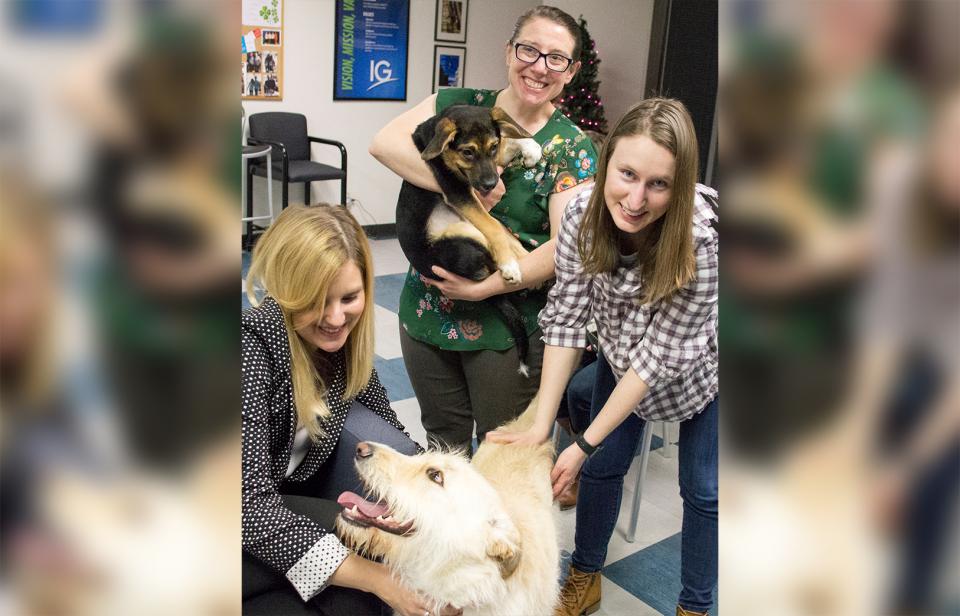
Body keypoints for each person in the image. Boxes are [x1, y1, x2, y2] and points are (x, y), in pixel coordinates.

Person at [488, 99, 719, 616]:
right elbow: (567, 320)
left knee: (704, 491)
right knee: (601, 470)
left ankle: (696, 606)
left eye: (658, 184)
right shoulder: (579, 216)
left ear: (679, 187)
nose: (635, 199)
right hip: (619, 362)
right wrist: (541, 427)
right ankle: (585, 576)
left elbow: (659, 358)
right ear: (607, 161)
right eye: (627, 174)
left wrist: (584, 443)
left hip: (697, 376)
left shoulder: (703, 239)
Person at [370, 5, 597, 452]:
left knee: (502, 454)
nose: (539, 67)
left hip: (504, 323)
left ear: (571, 72)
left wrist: (483, 289)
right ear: (509, 51)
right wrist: (462, 189)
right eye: (529, 50)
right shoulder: (454, 105)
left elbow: (562, 249)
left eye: (556, 58)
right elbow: (384, 144)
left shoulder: (570, 147)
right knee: (443, 449)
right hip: (427, 313)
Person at [241, 205, 459, 616]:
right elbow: (248, 509)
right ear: (288, 291)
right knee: (362, 570)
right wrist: (381, 579)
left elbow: (396, 446)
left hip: (278, 504)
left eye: (349, 297)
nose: (336, 318)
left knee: (358, 591)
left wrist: (442, 509)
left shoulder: (341, 351)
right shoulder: (248, 351)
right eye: (317, 302)